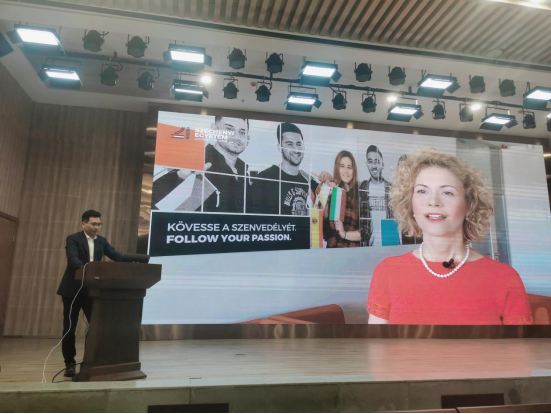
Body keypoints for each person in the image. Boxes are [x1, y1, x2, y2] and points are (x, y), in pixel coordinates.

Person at [367, 149, 533, 325]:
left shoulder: (505, 278)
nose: (433, 201)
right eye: (422, 191)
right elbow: (377, 342)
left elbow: (519, 344)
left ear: (469, 205)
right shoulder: (387, 272)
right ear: (410, 204)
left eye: (447, 192)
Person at [56, 210, 124, 377]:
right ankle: (69, 363)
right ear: (83, 224)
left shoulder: (101, 241)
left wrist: (134, 261)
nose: (96, 227)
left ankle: (90, 360)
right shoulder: (73, 239)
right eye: (93, 224)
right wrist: (88, 271)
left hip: (91, 290)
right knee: (69, 328)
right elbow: (73, 259)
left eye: (99, 224)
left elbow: (115, 255)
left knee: (95, 327)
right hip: (72, 290)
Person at [152, 116, 250, 213]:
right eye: (229, 129)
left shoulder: (247, 173)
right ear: (215, 129)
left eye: (242, 132)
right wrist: (180, 178)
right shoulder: (192, 163)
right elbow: (155, 208)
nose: (237, 137)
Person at [248, 123, 331, 215]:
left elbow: (322, 214)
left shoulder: (308, 181)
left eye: (299, 144)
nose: (296, 149)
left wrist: (325, 185)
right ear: (279, 148)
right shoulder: (264, 179)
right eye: (290, 144)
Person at [323, 151, 361, 248]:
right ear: (337, 168)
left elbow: (365, 233)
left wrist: (344, 234)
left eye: (349, 167)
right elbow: (323, 230)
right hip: (332, 250)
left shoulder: (360, 195)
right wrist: (326, 195)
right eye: (342, 166)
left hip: (352, 251)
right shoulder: (332, 191)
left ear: (353, 170)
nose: (346, 171)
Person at [359, 145, 394, 247]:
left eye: (377, 161)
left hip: (390, 246)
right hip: (369, 248)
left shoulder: (391, 189)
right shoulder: (362, 188)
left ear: (382, 165)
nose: (374, 166)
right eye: (370, 161)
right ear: (367, 164)